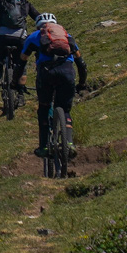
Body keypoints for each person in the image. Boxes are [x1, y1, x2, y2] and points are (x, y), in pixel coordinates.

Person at [22, 13, 88, 157]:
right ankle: (69, 143)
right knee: (65, 109)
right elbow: (81, 63)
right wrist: (82, 83)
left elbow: (22, 61)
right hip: (67, 72)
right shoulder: (67, 36)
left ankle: (44, 147)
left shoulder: (34, 37)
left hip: (46, 73)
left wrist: (16, 82)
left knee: (44, 108)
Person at [0, 0, 36, 92]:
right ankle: (20, 94)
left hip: (3, 36)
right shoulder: (24, 1)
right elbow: (36, 16)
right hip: (20, 36)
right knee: (21, 64)